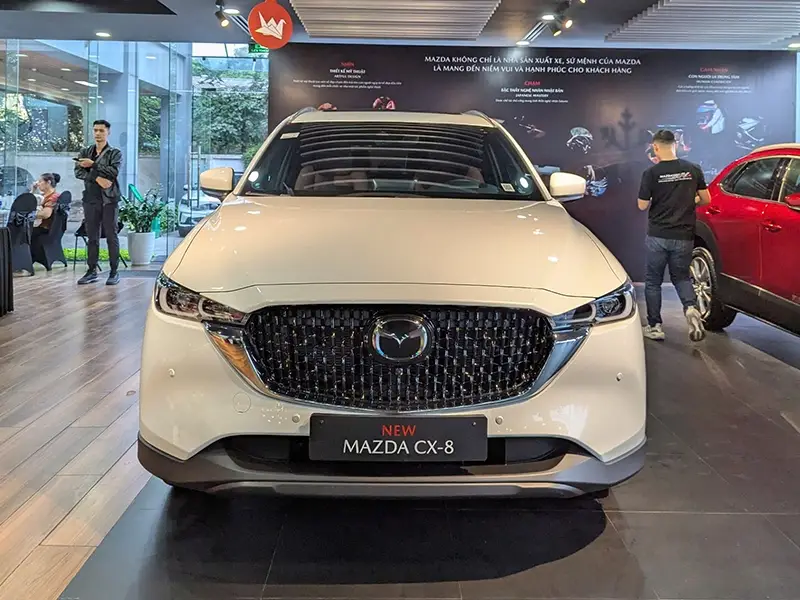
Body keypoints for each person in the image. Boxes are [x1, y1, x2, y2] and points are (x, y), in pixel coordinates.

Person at [637, 129, 711, 342]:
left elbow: (641, 205)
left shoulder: (651, 173)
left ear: (655, 147)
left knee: (653, 281)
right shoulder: (693, 169)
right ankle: (691, 309)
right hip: (684, 235)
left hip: (658, 235)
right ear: (675, 144)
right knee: (681, 277)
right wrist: (689, 201)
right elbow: (706, 199)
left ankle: (655, 326)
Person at [74, 119, 122, 286]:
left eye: (101, 130)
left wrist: (93, 165)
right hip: (91, 198)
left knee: (111, 235)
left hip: (109, 199)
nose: (98, 133)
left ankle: (114, 271)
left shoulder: (115, 153)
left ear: (108, 132)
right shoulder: (85, 151)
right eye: (95, 130)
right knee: (92, 236)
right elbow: (78, 172)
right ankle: (91, 270)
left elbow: (113, 172)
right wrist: (97, 178)